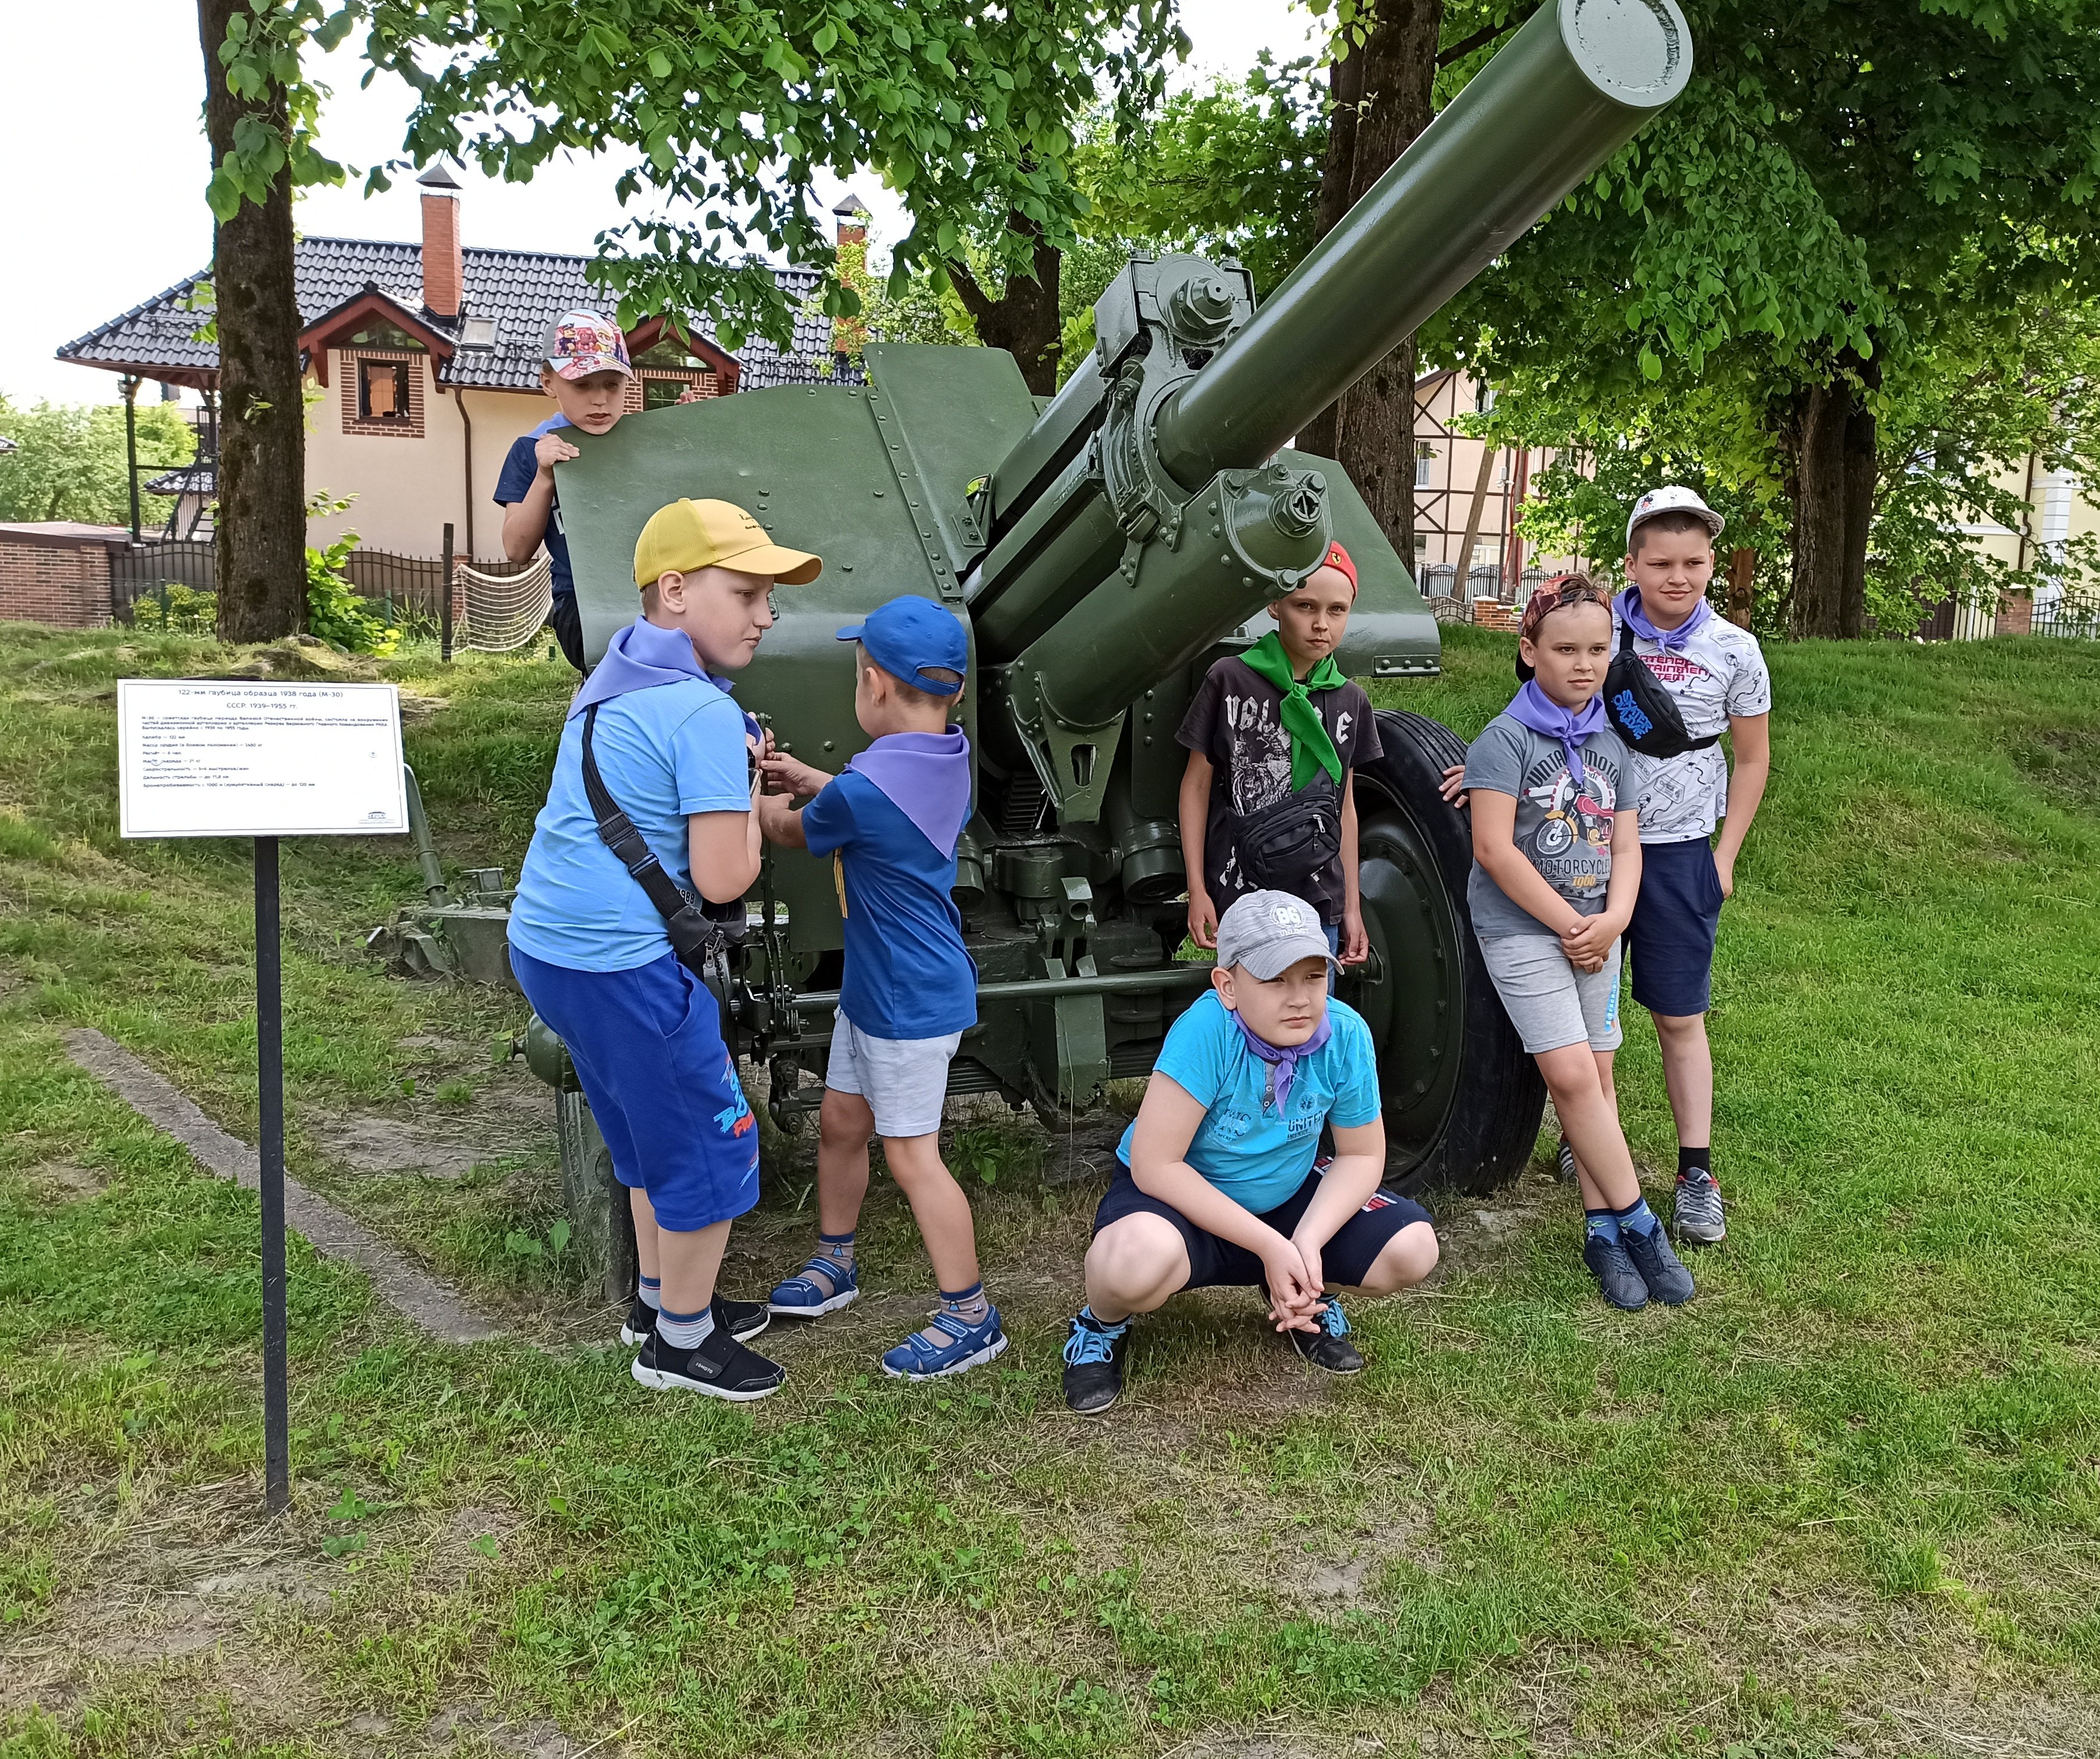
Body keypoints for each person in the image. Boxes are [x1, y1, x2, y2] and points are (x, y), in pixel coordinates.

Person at [507, 496, 822, 1401]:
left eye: (770, 598)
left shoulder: (614, 677)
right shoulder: (703, 714)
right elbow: (725, 878)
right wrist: (755, 802)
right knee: (710, 1146)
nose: (767, 615)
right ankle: (681, 1345)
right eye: (748, 593)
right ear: (676, 591)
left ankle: (658, 1303)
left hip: (551, 947)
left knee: (648, 1138)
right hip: (624, 962)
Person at [1058, 890, 1438, 1418]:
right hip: (1185, 1201)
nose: (1300, 998)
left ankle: (1306, 1292)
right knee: (1130, 1262)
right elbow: (1155, 1164)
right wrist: (1269, 1245)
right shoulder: (1206, 1031)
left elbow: (1361, 1156)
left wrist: (1305, 1243)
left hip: (1285, 1192)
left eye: (1313, 977)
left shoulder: (1346, 1033)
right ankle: (1101, 1325)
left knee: (1413, 1248)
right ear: (1228, 986)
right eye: (1275, 980)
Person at [755, 595, 1000, 1378]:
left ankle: (972, 1315)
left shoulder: (859, 795)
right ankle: (836, 1261)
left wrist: (760, 794)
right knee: (840, 1123)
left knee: (913, 1157)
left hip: (905, 1003)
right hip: (885, 987)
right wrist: (814, 779)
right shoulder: (947, 754)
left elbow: (791, 829)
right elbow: (875, 801)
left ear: (874, 685)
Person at [1462, 576, 1695, 1313]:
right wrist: (1570, 924)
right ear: (1530, 650)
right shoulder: (1504, 740)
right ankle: (1640, 1222)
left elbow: (1625, 845)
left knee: (1596, 1078)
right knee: (1568, 1077)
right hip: (1524, 930)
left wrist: (1614, 919)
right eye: (1565, 649)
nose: (1584, 664)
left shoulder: (1610, 740)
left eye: (1598, 649)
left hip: (1597, 930)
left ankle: (1601, 1232)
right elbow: (1494, 849)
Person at [1604, 485, 1769, 1246]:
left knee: (1679, 1015)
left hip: (1680, 853)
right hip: (1591, 846)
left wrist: (1724, 855)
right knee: (1592, 1015)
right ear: (1632, 564)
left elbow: (1752, 757)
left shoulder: (1735, 649)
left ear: (1712, 565)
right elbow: (1545, 717)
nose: (1678, 577)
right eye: (1661, 562)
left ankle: (1695, 1173)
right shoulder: (1597, 633)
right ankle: (1591, 1138)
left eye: (1694, 563)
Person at [1178, 540, 1378, 968]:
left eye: (1337, 610)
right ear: (1275, 605)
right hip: (1241, 895)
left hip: (1319, 897)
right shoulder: (1230, 679)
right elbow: (1196, 786)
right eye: (1306, 606)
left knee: (1311, 1004)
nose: (1321, 624)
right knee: (1247, 1001)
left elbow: (1345, 807)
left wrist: (1352, 907)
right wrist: (1197, 888)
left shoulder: (1351, 701)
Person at [496, 312, 672, 673]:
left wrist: (688, 442)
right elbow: (517, 549)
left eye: (612, 385)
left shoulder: (648, 444)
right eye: (582, 385)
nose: (600, 400)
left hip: (658, 592)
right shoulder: (530, 449)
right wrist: (545, 477)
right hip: (583, 603)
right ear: (549, 383)